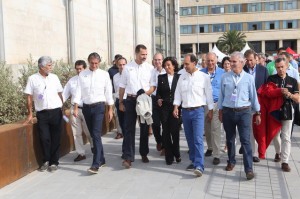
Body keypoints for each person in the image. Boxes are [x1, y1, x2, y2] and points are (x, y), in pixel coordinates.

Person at [218, 52, 261, 180]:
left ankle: (248, 169)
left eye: (234, 62)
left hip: (244, 112)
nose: (231, 64)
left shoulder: (249, 78)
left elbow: (253, 96)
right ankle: (231, 161)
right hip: (228, 112)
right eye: (230, 62)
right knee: (230, 139)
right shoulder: (225, 77)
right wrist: (220, 110)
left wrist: (258, 112)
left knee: (245, 140)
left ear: (242, 62)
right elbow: (221, 95)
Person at [173, 53, 214, 177]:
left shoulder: (204, 77)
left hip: (198, 111)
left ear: (194, 63)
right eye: (184, 64)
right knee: (190, 139)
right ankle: (193, 160)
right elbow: (178, 93)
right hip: (185, 111)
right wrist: (176, 106)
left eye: (187, 64)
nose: (184, 66)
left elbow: (209, 94)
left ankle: (199, 166)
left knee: (197, 139)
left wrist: (211, 110)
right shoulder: (181, 77)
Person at [73, 52, 114, 174]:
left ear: (99, 62)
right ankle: (101, 159)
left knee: (96, 134)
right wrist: (75, 107)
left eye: (96, 63)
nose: (94, 65)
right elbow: (78, 92)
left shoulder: (104, 75)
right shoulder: (82, 75)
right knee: (93, 135)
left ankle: (95, 164)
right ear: (89, 62)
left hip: (99, 107)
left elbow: (108, 92)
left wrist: (110, 109)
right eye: (92, 63)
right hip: (86, 108)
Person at [24, 56, 63, 172]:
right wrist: (30, 113)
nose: (51, 68)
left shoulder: (54, 78)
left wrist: (62, 106)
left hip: (56, 111)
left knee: (56, 137)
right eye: (49, 66)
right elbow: (29, 97)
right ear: (41, 67)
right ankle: (46, 160)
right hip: (42, 114)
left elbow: (60, 92)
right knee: (44, 138)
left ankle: (54, 162)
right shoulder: (32, 79)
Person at [119, 44, 155, 168]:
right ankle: (128, 157)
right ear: (136, 54)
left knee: (144, 128)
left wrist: (145, 94)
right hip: (130, 100)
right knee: (129, 129)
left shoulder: (150, 68)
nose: (144, 56)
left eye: (146, 54)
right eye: (142, 54)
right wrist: (121, 102)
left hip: (144, 101)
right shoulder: (127, 68)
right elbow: (122, 86)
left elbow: (153, 86)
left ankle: (144, 153)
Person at [267, 57, 300, 172]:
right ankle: (278, 152)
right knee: (275, 135)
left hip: (287, 110)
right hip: (275, 111)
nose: (280, 69)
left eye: (282, 67)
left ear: (286, 66)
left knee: (286, 137)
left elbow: (298, 99)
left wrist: (289, 95)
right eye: (278, 67)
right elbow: (267, 94)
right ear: (275, 68)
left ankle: (285, 161)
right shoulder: (271, 79)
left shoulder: (293, 81)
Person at [62, 60, 93, 162]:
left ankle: (94, 147)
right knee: (76, 133)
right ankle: (81, 153)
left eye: (81, 68)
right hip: (74, 110)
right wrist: (58, 104)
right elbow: (64, 94)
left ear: (85, 68)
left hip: (87, 109)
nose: (79, 71)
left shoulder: (90, 79)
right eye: (77, 69)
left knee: (89, 132)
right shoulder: (72, 81)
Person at [243, 49, 268, 163]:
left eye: (251, 60)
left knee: (260, 129)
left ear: (256, 59)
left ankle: (261, 150)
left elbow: (267, 87)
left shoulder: (263, 70)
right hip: (246, 104)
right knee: (250, 130)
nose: (249, 62)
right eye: (247, 60)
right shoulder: (242, 70)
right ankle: (253, 153)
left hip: (260, 103)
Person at [201, 52, 224, 165]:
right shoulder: (200, 73)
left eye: (212, 60)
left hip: (217, 104)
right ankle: (210, 147)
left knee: (216, 129)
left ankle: (216, 154)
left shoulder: (222, 73)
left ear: (216, 60)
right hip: (205, 104)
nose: (210, 63)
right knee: (207, 129)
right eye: (208, 60)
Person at [156, 57, 181, 165]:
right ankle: (168, 156)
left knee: (175, 132)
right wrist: (158, 99)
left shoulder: (179, 77)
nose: (166, 67)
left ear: (174, 66)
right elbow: (158, 93)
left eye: (168, 65)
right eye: (165, 65)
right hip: (165, 108)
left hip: (176, 107)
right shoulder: (161, 77)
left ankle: (177, 153)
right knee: (165, 132)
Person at [151, 53, 166, 155]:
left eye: (159, 60)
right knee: (155, 123)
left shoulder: (167, 70)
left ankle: (165, 146)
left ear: (163, 60)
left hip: (165, 100)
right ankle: (159, 141)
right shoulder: (152, 72)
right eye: (155, 60)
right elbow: (151, 86)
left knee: (165, 124)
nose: (157, 62)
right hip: (154, 99)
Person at [113, 57, 127, 157]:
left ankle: (127, 150)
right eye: (120, 65)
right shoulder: (115, 77)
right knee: (122, 126)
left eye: (123, 64)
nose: (122, 67)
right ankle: (125, 148)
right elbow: (116, 91)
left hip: (128, 101)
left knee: (128, 126)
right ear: (117, 66)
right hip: (119, 101)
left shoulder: (130, 75)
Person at [108, 54, 123, 139]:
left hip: (127, 97)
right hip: (115, 95)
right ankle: (119, 132)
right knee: (117, 114)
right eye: (118, 62)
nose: (121, 65)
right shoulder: (111, 71)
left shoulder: (128, 71)